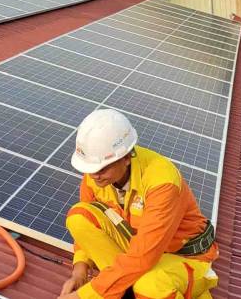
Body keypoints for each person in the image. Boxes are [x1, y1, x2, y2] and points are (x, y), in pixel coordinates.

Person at [58, 109, 219, 299]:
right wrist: (80, 270)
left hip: (185, 256)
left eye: (101, 168)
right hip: (140, 249)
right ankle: (121, 290)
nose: (94, 175)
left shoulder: (162, 181)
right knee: (79, 217)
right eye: (90, 168)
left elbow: (145, 254)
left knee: (149, 286)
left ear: (126, 157)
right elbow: (91, 232)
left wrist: (84, 296)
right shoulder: (95, 175)